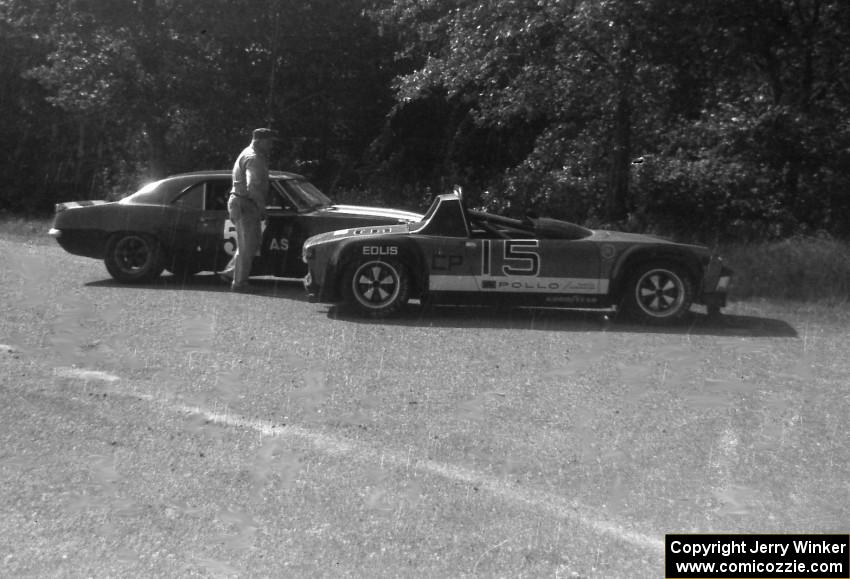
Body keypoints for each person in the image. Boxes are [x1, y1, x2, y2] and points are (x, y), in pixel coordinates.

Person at [220, 127, 278, 291]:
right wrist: (262, 209)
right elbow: (253, 187)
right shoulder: (254, 158)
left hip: (241, 202)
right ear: (259, 141)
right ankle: (239, 283)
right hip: (246, 203)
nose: (271, 145)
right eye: (269, 141)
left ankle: (232, 272)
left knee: (249, 243)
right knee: (248, 244)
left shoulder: (248, 153)